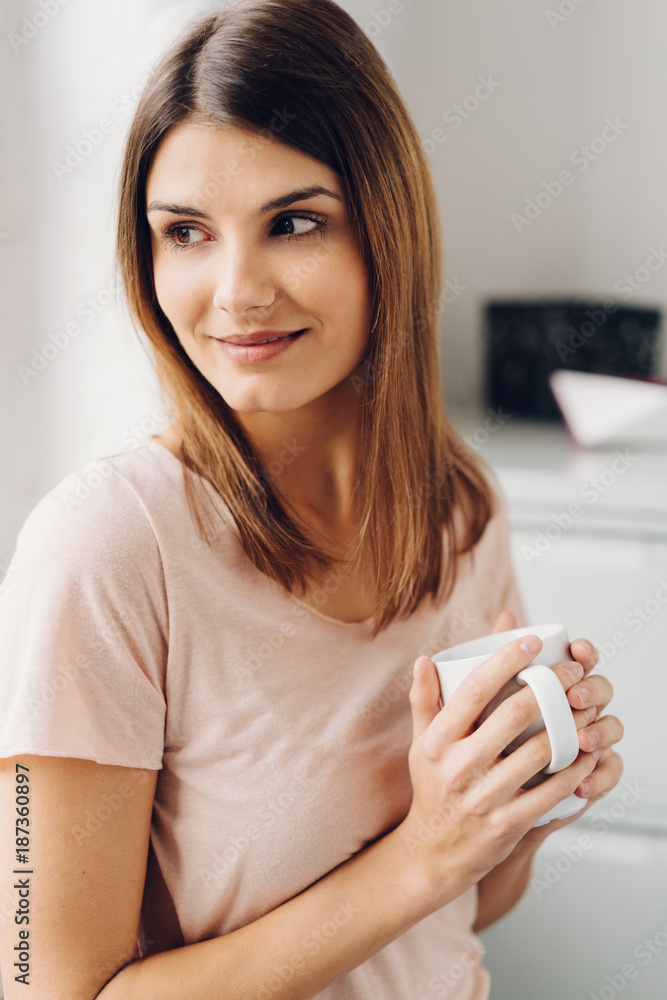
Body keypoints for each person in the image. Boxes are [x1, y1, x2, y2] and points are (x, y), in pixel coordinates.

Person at [0, 2, 623, 998]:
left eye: (294, 223)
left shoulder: (458, 504)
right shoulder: (106, 544)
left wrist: (515, 803)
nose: (236, 291)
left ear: (390, 226)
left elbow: (465, 904)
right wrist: (421, 850)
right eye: (186, 233)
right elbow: (43, 984)